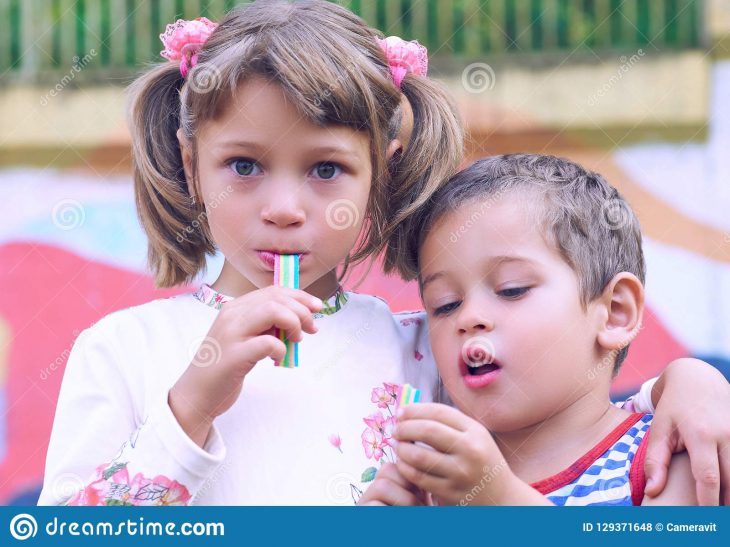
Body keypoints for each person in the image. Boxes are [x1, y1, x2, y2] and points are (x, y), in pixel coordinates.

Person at [39, 2, 729, 506]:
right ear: (193, 165)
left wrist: (689, 383)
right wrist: (189, 407)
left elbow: (571, 409)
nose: (284, 205)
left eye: (326, 169)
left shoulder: (428, 352)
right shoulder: (123, 350)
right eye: (244, 166)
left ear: (383, 172)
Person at [361, 154, 728, 505]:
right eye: (445, 304)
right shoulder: (434, 492)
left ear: (615, 312)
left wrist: (501, 501)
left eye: (512, 289)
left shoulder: (667, 450)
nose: (468, 317)